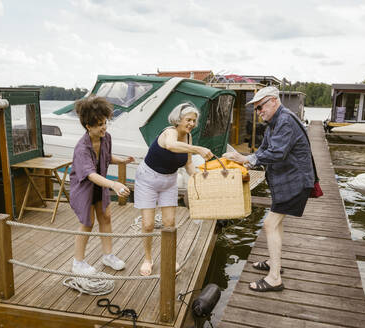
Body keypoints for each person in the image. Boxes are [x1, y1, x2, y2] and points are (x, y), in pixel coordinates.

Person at [223, 86, 314, 292]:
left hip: (295, 182)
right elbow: (264, 149)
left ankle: (274, 279)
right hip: (286, 181)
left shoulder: (285, 121)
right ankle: (275, 264)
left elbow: (277, 153)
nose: (258, 112)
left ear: (273, 101)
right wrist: (245, 161)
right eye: (255, 109)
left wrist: (246, 158)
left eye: (260, 107)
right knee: (276, 225)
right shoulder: (274, 121)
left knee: (270, 224)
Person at [134, 102, 213, 276]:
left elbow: (189, 164)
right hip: (148, 179)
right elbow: (170, 145)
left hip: (169, 181)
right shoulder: (169, 132)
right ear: (178, 119)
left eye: (194, 120)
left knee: (169, 223)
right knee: (147, 225)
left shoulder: (189, 137)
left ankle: (170, 257)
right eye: (188, 120)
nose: (191, 124)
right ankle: (148, 259)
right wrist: (197, 149)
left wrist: (198, 180)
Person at [69, 96, 134, 274]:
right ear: (88, 126)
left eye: (105, 122)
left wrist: (121, 160)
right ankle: (78, 262)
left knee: (106, 217)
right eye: (99, 124)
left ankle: (108, 255)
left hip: (100, 184)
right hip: (84, 187)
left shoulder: (106, 137)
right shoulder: (82, 148)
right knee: (87, 222)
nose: (104, 127)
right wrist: (114, 184)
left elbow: (104, 157)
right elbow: (90, 174)